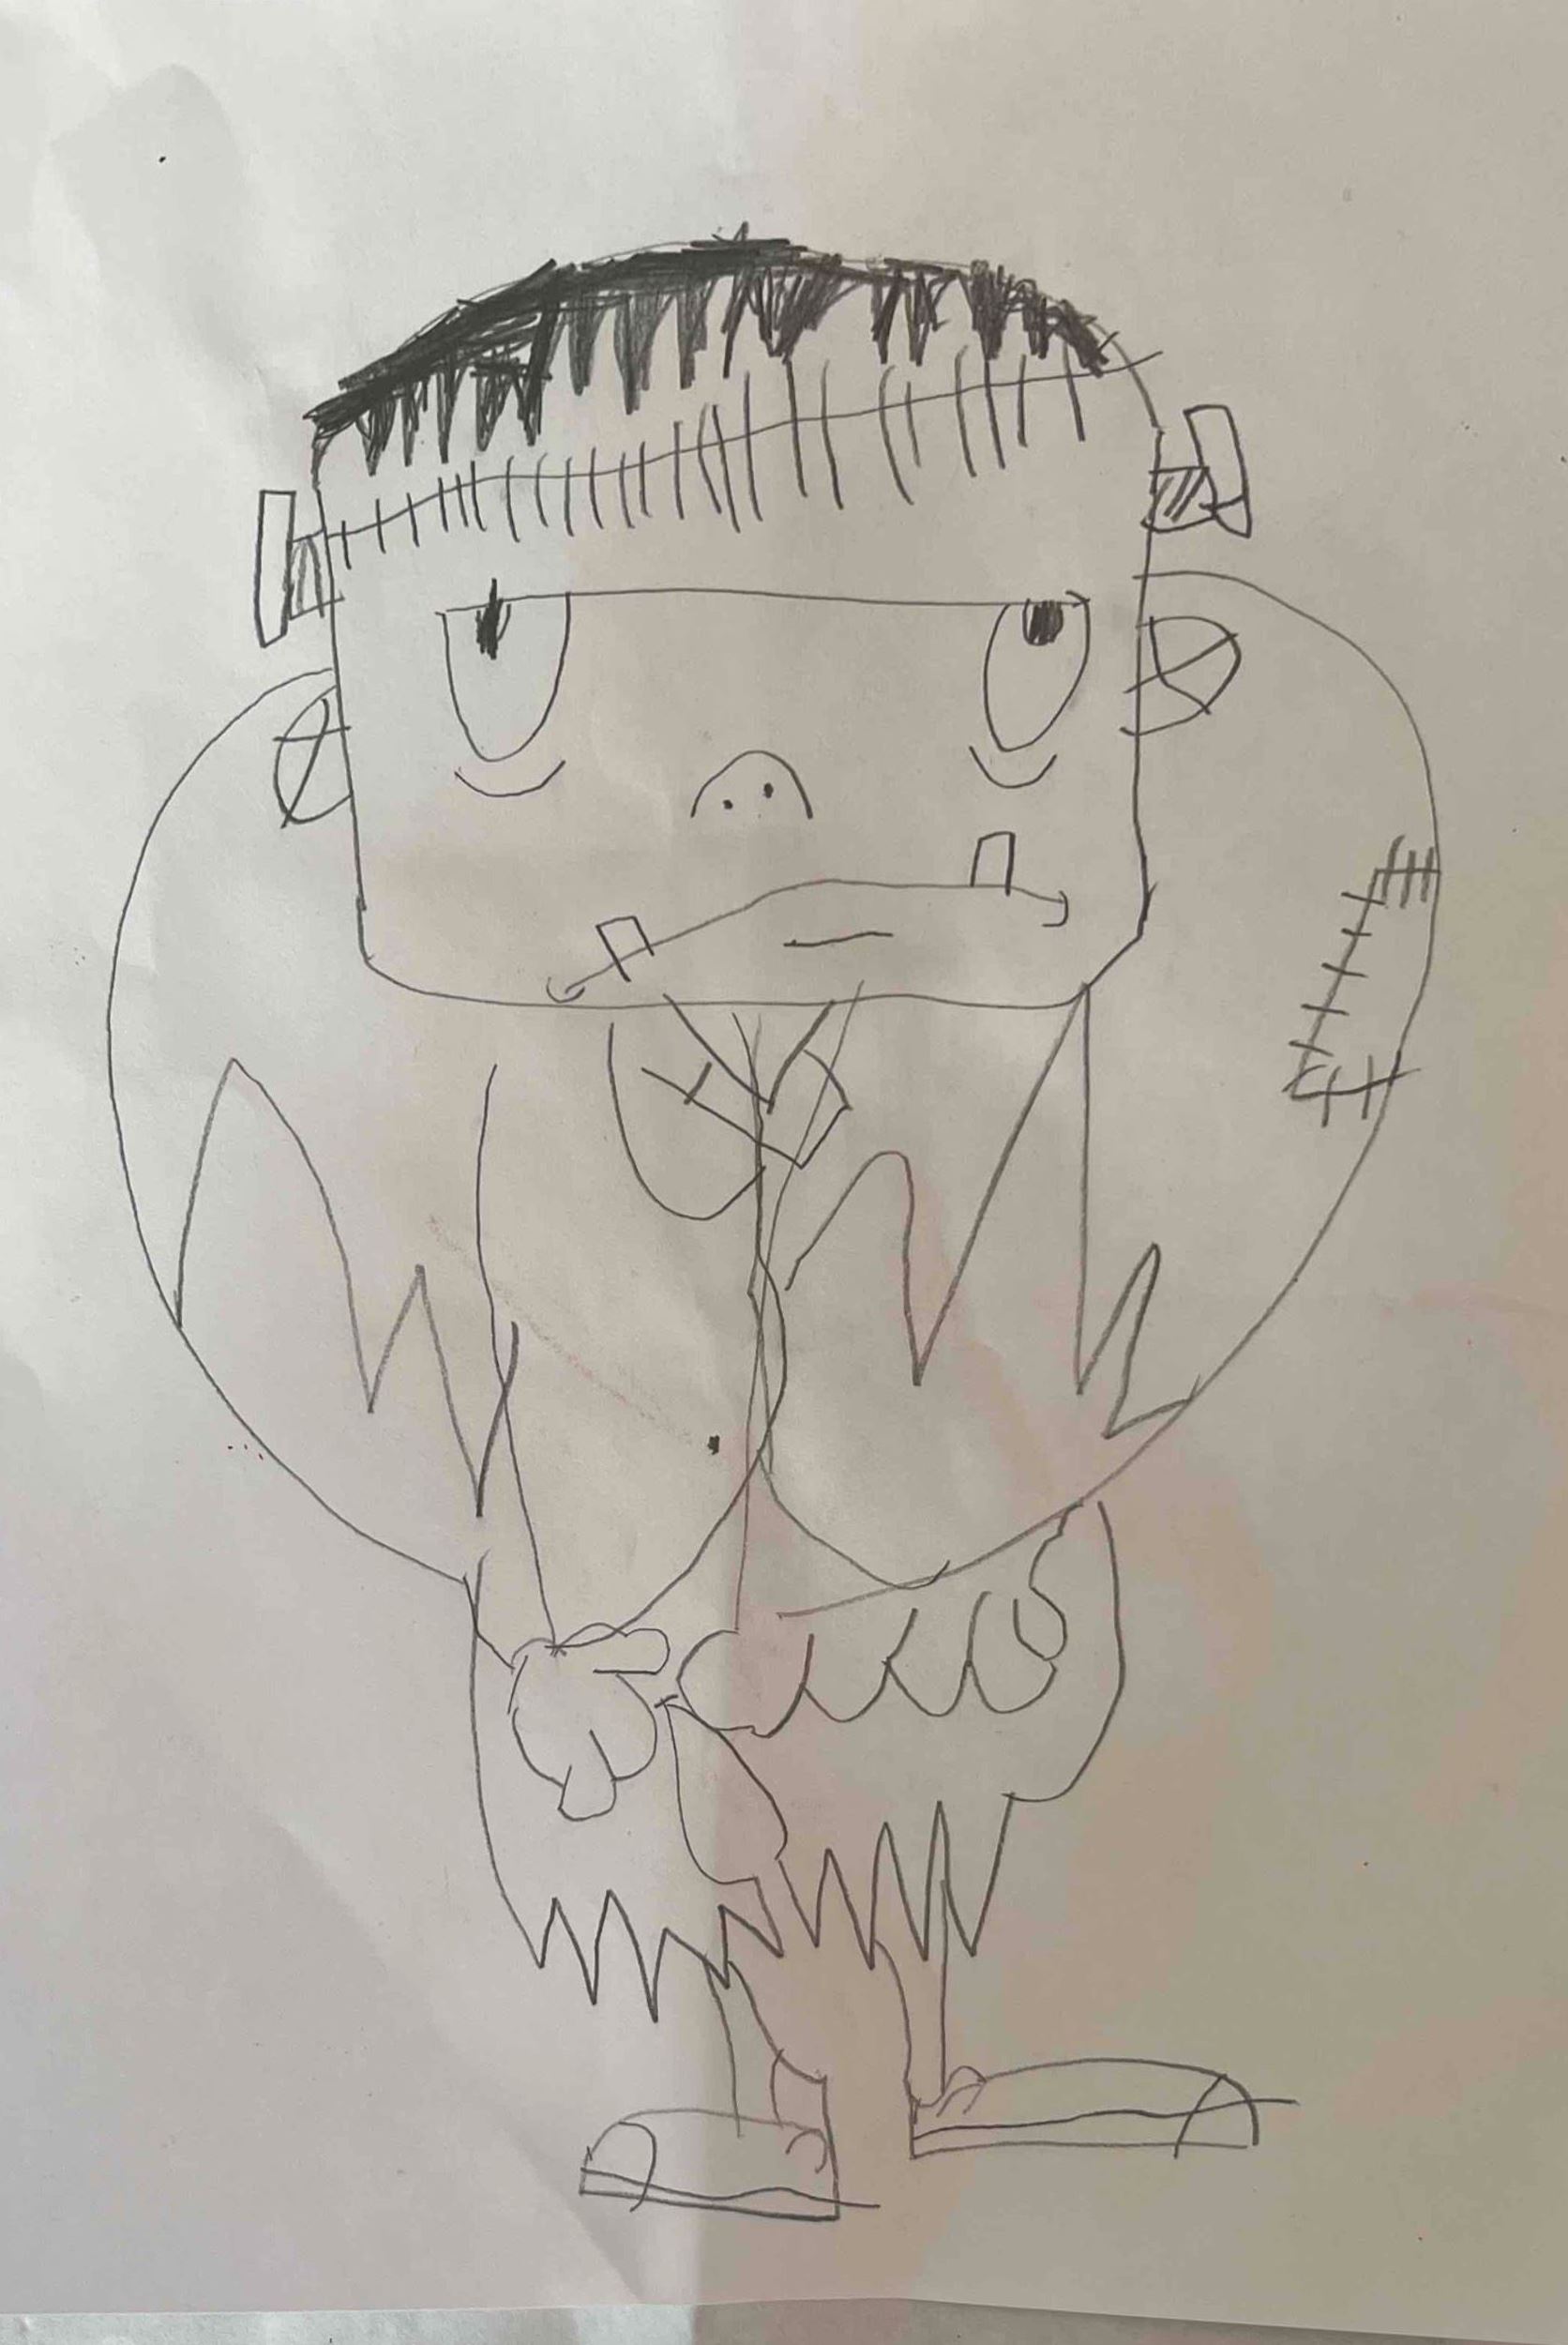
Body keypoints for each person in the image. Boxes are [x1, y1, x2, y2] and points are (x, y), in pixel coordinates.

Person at [113, 234, 1437, 2217]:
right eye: (501, 651)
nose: (754, 796)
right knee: (704, 1815)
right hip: (623, 1587)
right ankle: (765, 2086)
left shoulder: (1005, 1084)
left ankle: (928, 2073)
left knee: (928, 1779)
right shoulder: (496, 1094)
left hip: (940, 1558)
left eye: (1025, 647)